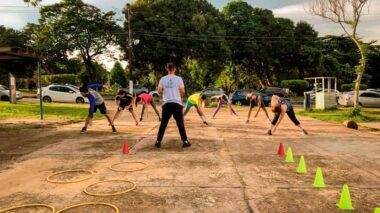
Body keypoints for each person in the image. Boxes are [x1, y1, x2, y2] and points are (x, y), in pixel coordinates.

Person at [155, 63, 191, 148]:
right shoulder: (179, 79)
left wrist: (165, 91)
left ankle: (158, 142)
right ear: (174, 69)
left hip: (166, 104)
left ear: (167, 69)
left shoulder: (162, 79)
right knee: (180, 123)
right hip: (176, 104)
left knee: (163, 124)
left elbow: (159, 91)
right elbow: (183, 91)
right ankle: (185, 141)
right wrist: (178, 93)